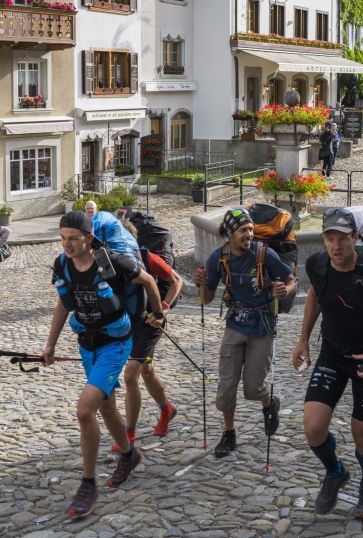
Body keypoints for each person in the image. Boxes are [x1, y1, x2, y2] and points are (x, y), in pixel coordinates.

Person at [43, 212, 165, 518]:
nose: (67, 244)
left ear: (89, 238)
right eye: (63, 238)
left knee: (85, 410)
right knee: (107, 407)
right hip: (87, 342)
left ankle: (88, 485)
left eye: (73, 238)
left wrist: (157, 313)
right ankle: (129, 454)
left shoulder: (112, 262)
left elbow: (149, 280)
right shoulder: (62, 265)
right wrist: (50, 345)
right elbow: (62, 305)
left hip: (115, 343)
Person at [292, 208, 363, 519]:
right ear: (323, 240)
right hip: (332, 354)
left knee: (362, 433)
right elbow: (315, 295)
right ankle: (335, 472)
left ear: (355, 238)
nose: (336, 245)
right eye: (330, 238)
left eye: (343, 238)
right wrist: (303, 340)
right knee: (313, 428)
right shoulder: (317, 265)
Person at [193, 207, 297, 458]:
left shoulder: (265, 254)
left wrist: (285, 290)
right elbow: (206, 299)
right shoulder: (218, 258)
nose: (249, 234)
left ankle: (269, 403)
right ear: (230, 234)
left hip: (262, 325)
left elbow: (292, 280)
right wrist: (201, 285)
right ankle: (229, 433)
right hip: (235, 324)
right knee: (227, 386)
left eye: (250, 229)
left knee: (253, 388)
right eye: (243, 230)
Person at [110, 220, 183, 452]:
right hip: (128, 323)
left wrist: (163, 309)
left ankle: (129, 435)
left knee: (131, 374)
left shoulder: (145, 257)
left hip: (152, 321)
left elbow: (177, 281)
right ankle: (166, 409)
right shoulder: (109, 260)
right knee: (146, 370)